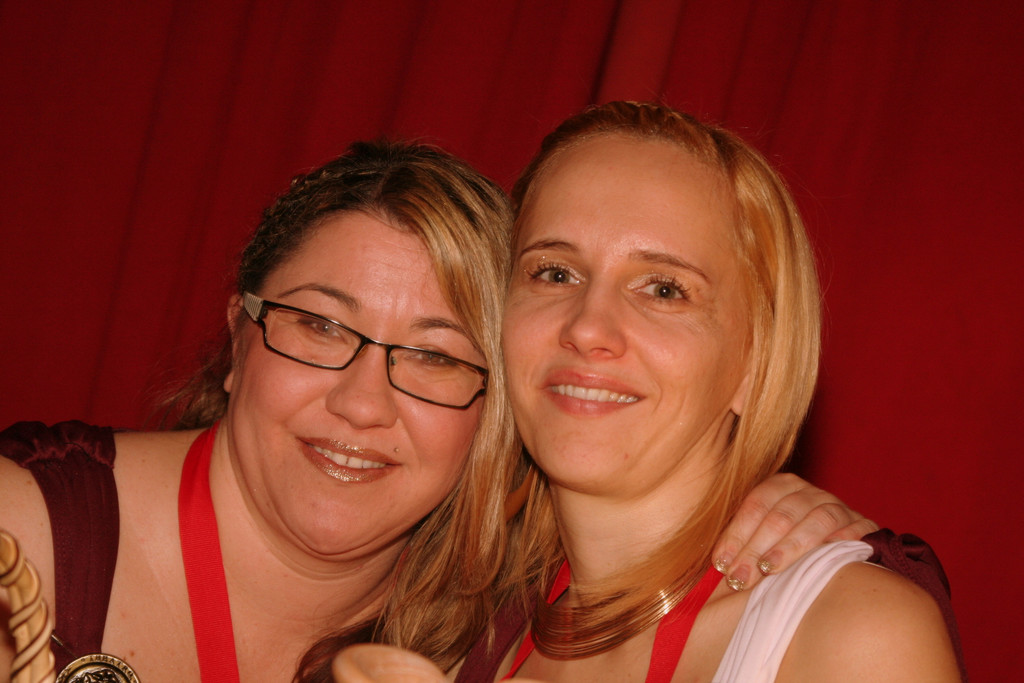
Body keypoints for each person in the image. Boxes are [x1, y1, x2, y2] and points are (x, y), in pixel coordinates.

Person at [0, 139, 875, 683]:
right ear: (239, 337)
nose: (361, 402)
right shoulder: (25, 533)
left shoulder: (495, 627)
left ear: (496, 401)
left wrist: (801, 520)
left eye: (435, 356)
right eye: (320, 325)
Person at [332, 103, 964, 682]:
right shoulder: (455, 628)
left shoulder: (854, 635)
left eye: (664, 289)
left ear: (757, 363)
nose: (586, 327)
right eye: (555, 273)